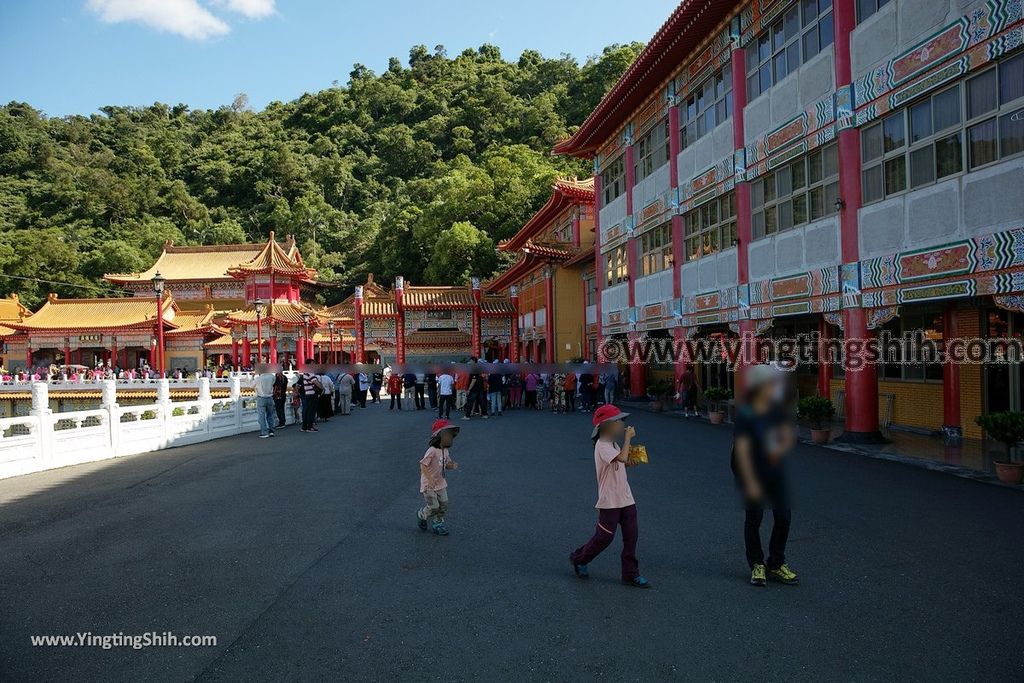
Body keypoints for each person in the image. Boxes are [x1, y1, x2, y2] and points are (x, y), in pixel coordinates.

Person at [732, 364, 798, 587]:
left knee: (783, 518)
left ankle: (776, 562)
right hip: (753, 473)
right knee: (754, 519)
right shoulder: (746, 413)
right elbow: (741, 449)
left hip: (775, 473)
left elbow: (788, 436)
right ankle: (757, 564)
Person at [569, 404, 650, 588]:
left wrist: (632, 461)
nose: (623, 425)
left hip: (626, 497)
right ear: (607, 425)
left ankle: (630, 573)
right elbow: (620, 458)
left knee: (632, 536)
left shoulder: (612, 443)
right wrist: (628, 439)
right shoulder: (602, 445)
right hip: (610, 501)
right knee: (604, 537)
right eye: (619, 421)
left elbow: (621, 462)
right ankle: (579, 559)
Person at [416, 419, 460, 536]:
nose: (450, 437)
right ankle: (422, 515)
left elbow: (446, 464)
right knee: (434, 506)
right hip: (429, 484)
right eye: (447, 434)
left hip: (440, 483)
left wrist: (452, 465)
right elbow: (423, 465)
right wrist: (430, 480)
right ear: (439, 436)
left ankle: (438, 523)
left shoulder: (445, 451)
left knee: (444, 504)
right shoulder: (432, 451)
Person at [254, 364, 277, 438]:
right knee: (270, 415)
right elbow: (273, 383)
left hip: (261, 398)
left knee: (261, 416)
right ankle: (271, 430)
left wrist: (251, 377)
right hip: (270, 397)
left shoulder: (258, 378)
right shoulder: (272, 377)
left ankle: (264, 432)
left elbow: (251, 385)